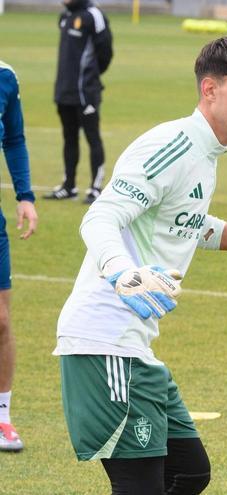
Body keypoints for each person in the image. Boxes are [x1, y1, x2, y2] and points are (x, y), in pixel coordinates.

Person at [53, 37, 227, 494]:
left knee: (189, 473)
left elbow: (185, 223)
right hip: (103, 342)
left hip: (135, 347)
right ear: (210, 90)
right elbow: (101, 215)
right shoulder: (173, 145)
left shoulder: (204, 153)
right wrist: (123, 272)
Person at [0, 61, 39, 453]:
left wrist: (25, 195)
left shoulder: (6, 77)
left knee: (1, 320)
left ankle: (2, 417)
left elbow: (13, 138)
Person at [45, 0, 113, 204]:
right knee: (69, 137)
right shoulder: (65, 16)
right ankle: (69, 186)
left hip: (86, 92)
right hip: (64, 90)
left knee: (92, 137)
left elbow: (106, 53)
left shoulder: (94, 15)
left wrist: (90, 76)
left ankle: (95, 189)